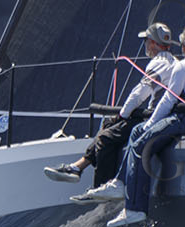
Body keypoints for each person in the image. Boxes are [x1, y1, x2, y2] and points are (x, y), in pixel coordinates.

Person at [103, 22, 185, 227]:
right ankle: (120, 183)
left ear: (184, 47)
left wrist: (150, 124)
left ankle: (135, 209)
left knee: (141, 144)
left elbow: (168, 100)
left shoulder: (182, 66)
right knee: (137, 130)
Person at [45, 22, 177, 194]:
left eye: (145, 41)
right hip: (160, 115)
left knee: (106, 137)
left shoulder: (159, 63)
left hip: (155, 117)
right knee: (108, 124)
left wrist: (122, 115)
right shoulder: (173, 61)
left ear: (152, 42)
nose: (145, 45)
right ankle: (77, 167)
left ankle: (101, 188)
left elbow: (140, 93)